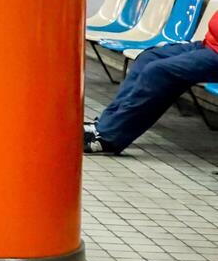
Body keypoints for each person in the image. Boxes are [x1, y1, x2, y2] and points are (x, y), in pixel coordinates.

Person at [85, 8, 218, 155]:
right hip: (208, 45)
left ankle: (109, 137)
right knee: (148, 58)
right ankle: (104, 124)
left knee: (157, 71)